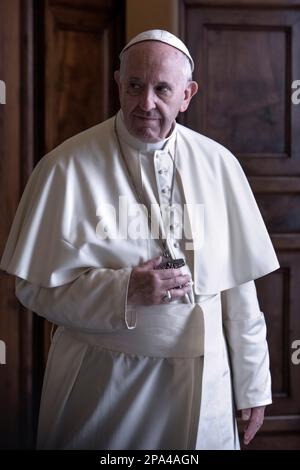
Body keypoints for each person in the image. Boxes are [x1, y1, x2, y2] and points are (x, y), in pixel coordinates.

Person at [0, 30, 279, 450]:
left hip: (206, 384)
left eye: (162, 89)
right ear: (118, 82)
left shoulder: (219, 165)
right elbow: (32, 288)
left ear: (187, 95)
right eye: (134, 86)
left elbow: (238, 288)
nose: (145, 103)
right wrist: (124, 290)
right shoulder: (64, 167)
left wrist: (254, 383)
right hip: (105, 383)